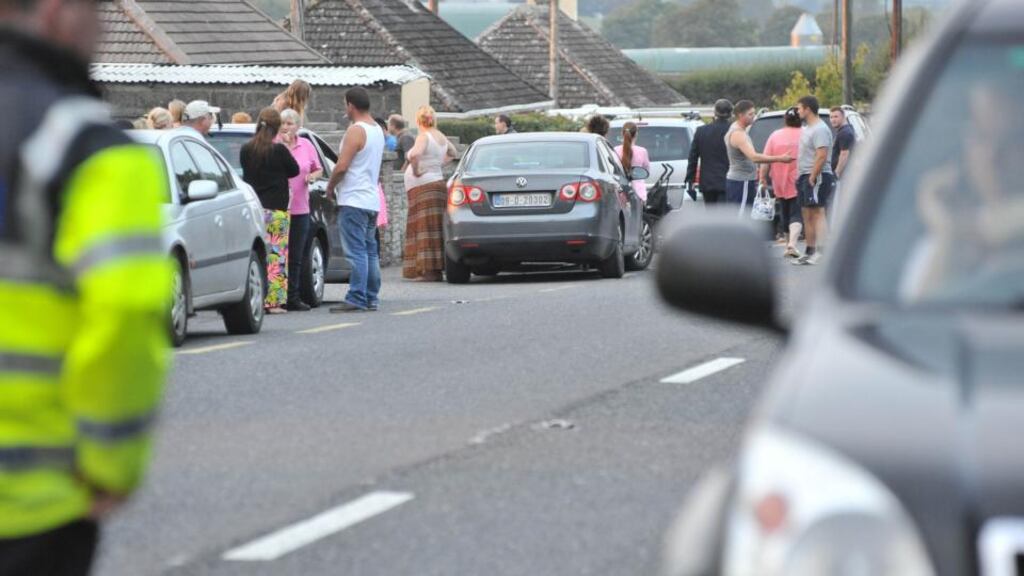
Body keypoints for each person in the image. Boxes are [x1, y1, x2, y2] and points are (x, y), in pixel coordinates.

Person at [0, 0, 171, 572]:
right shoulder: (87, 148)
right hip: (29, 501)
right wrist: (111, 462)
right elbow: (125, 306)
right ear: (57, 11)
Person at [325, 87, 385, 312]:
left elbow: (342, 166)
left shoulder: (356, 131)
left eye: (345, 105)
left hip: (353, 200)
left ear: (350, 105)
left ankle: (357, 296)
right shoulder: (377, 129)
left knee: (356, 251)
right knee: (370, 250)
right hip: (371, 199)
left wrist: (330, 187)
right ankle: (371, 296)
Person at [241, 107, 300, 312]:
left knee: (257, 254)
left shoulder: (247, 149)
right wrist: (286, 146)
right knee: (276, 255)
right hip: (276, 209)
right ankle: (273, 302)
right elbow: (294, 170)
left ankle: (255, 297)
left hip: (255, 208)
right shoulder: (279, 150)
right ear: (276, 128)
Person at [403, 105, 459, 282]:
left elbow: (414, 156)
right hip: (437, 182)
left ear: (419, 120)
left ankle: (427, 271)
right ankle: (434, 269)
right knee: (435, 227)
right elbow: (453, 153)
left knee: (424, 227)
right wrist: (437, 165)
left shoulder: (423, 136)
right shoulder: (441, 136)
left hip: (423, 186)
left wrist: (417, 170)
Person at [277, 108, 323, 312]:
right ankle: (276, 297)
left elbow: (318, 168)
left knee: (296, 255)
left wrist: (313, 177)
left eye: (290, 123)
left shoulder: (305, 145)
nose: (286, 127)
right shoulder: (275, 145)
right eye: (283, 123)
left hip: (300, 207)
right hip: (278, 207)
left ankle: (292, 296)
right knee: (278, 255)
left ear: (297, 126)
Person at [725, 99, 793, 216]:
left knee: (744, 215)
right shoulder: (738, 134)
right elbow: (754, 157)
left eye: (754, 113)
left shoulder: (738, 129)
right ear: (741, 115)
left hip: (744, 180)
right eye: (750, 114)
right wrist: (780, 158)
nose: (754, 116)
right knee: (741, 217)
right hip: (742, 181)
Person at [793, 95, 835, 266]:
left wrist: (812, 175)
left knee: (818, 212)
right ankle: (809, 251)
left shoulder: (820, 129)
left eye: (799, 108)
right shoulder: (807, 128)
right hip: (804, 175)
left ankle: (822, 251)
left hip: (817, 175)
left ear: (808, 109)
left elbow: (822, 155)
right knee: (806, 213)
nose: (797, 111)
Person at [761, 107, 804, 259]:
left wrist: (762, 177)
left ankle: (788, 244)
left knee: (785, 212)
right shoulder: (805, 134)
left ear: (785, 119)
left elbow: (765, 159)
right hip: (800, 179)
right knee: (796, 213)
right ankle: (792, 244)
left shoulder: (775, 135)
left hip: (779, 180)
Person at [686, 99, 733, 204]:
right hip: (729, 181)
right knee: (727, 217)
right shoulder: (734, 131)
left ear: (715, 112)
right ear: (730, 113)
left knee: (711, 215)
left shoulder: (701, 131)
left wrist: (690, 180)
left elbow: (693, 158)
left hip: (707, 182)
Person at [615, 121, 650, 201]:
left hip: (620, 193)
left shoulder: (615, 150)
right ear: (636, 134)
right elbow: (646, 171)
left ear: (622, 133)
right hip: (639, 193)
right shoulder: (642, 151)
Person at [829, 107, 856, 181]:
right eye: (831, 117)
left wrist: (836, 174)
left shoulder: (845, 133)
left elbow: (844, 154)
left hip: (843, 176)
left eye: (836, 117)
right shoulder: (845, 130)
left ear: (843, 117)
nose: (833, 120)